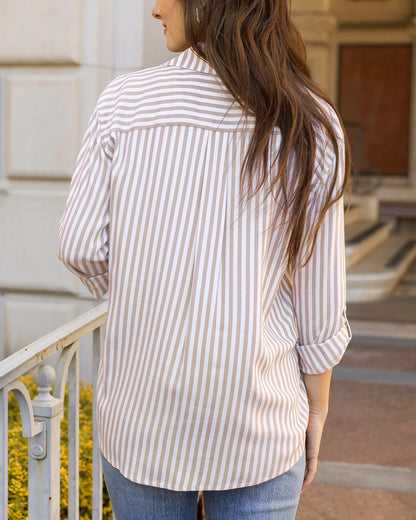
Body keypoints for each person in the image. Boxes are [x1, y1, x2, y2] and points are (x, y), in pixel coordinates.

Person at [57, 0, 352, 518]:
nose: (154, 8)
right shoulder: (309, 117)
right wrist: (318, 410)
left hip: (141, 421)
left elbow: (80, 248)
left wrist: (148, 284)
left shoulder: (123, 103)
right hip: (259, 424)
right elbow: (319, 302)